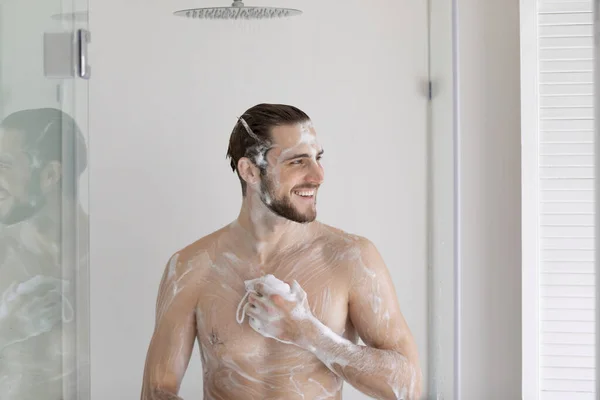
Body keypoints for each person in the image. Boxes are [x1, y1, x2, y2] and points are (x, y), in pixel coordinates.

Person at [141, 103, 422, 400]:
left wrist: (309, 333)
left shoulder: (351, 259)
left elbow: (408, 386)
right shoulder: (191, 267)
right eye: (298, 162)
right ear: (249, 170)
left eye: (318, 159)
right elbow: (157, 390)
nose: (318, 176)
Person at [0, 108, 89, 400]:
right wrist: (11, 328)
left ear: (50, 174)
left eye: (5, 165)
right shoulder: (4, 253)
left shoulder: (104, 255)